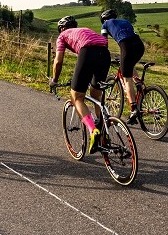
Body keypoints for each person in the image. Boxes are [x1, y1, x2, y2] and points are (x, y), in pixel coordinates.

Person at [49, 15, 111, 154]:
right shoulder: (85, 30)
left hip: (88, 52)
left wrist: (54, 80)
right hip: (104, 53)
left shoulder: (63, 35)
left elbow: (58, 61)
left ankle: (93, 131)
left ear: (62, 28)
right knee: (96, 94)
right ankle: (102, 128)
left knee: (77, 97)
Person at [100, 9, 145, 124]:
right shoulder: (125, 21)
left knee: (126, 79)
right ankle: (139, 85)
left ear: (104, 19)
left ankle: (134, 109)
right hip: (139, 45)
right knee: (130, 65)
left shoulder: (105, 24)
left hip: (126, 45)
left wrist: (104, 56)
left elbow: (104, 42)